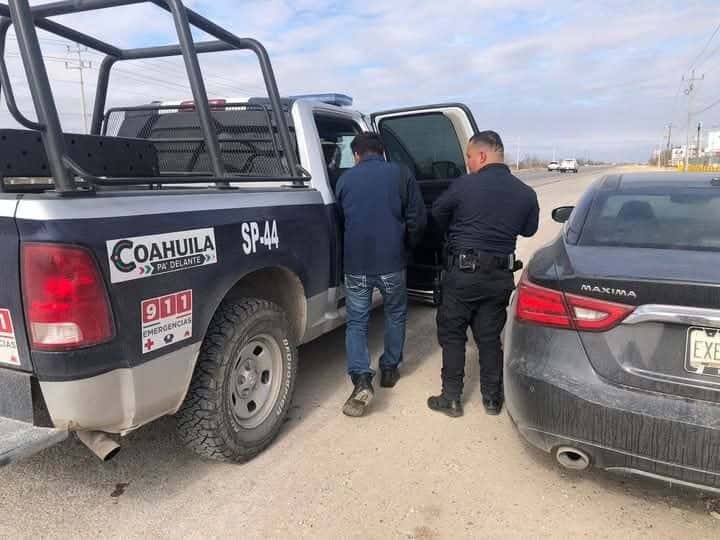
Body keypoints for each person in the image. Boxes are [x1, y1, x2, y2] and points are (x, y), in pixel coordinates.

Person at [427, 131, 539, 418]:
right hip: (499, 277)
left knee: (452, 334)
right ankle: (492, 398)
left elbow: (437, 213)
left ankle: (451, 397)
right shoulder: (525, 192)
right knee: (489, 337)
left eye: (468, 157)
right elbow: (528, 230)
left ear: (482, 156)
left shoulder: (465, 185)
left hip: (462, 274)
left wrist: (455, 230)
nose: (467, 163)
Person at [335, 132, 427, 417]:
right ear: (381, 151)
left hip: (357, 265)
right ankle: (389, 369)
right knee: (395, 314)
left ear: (357, 155)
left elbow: (340, 222)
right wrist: (407, 247)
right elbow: (417, 219)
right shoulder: (401, 174)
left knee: (357, 322)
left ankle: (362, 378)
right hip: (392, 262)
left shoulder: (344, 180)